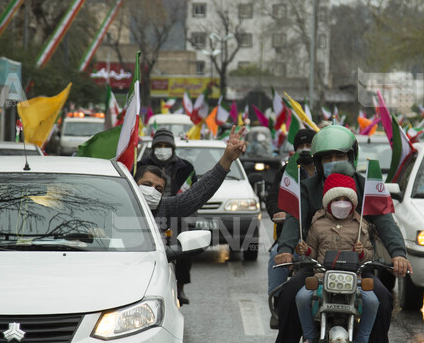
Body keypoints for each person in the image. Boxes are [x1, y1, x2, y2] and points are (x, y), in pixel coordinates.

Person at [272, 124, 411, 343]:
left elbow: (386, 223)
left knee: (381, 298)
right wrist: (285, 250)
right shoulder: (307, 188)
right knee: (290, 295)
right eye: (326, 158)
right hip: (316, 265)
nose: (333, 162)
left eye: (339, 156)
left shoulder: (366, 186)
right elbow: (294, 221)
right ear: (317, 161)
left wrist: (399, 254)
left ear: (352, 157)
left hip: (358, 266)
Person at [135, 127, 247, 289]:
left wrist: (226, 159)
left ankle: (181, 285)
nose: (151, 190)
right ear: (133, 184)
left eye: (158, 189)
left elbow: (198, 192)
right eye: (146, 185)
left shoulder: (164, 207)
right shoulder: (118, 207)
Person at [292, 173, 379, 343]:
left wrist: (362, 252)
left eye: (345, 199)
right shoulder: (318, 224)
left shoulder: (360, 226)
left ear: (353, 202)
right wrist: (304, 250)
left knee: (372, 301)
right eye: (336, 199)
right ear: (328, 202)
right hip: (323, 277)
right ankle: (310, 340)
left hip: (353, 279)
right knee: (301, 297)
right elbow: (311, 253)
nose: (341, 203)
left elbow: (371, 254)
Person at [137, 128, 196, 303]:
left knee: (185, 248)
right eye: (159, 145)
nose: (163, 149)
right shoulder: (140, 166)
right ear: (153, 147)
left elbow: (193, 194)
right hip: (149, 214)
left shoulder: (187, 168)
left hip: (177, 213)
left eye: (166, 145)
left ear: (173, 147)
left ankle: (181, 287)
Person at [265, 127, 316, 294]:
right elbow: (273, 198)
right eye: (301, 146)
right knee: (275, 256)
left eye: (309, 144)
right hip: (292, 233)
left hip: (321, 235)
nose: (305, 148)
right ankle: (277, 300)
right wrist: (277, 212)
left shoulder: (325, 171)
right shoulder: (287, 171)